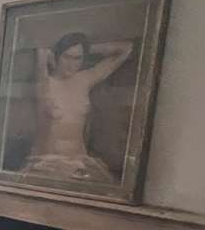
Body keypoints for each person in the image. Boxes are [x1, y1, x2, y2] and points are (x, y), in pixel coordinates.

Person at [21, 32, 134, 183]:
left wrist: (85, 47)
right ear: (57, 56)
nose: (71, 64)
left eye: (77, 58)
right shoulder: (44, 82)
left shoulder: (84, 79)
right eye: (66, 57)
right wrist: (54, 52)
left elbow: (126, 48)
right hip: (48, 163)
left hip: (79, 163)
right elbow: (41, 55)